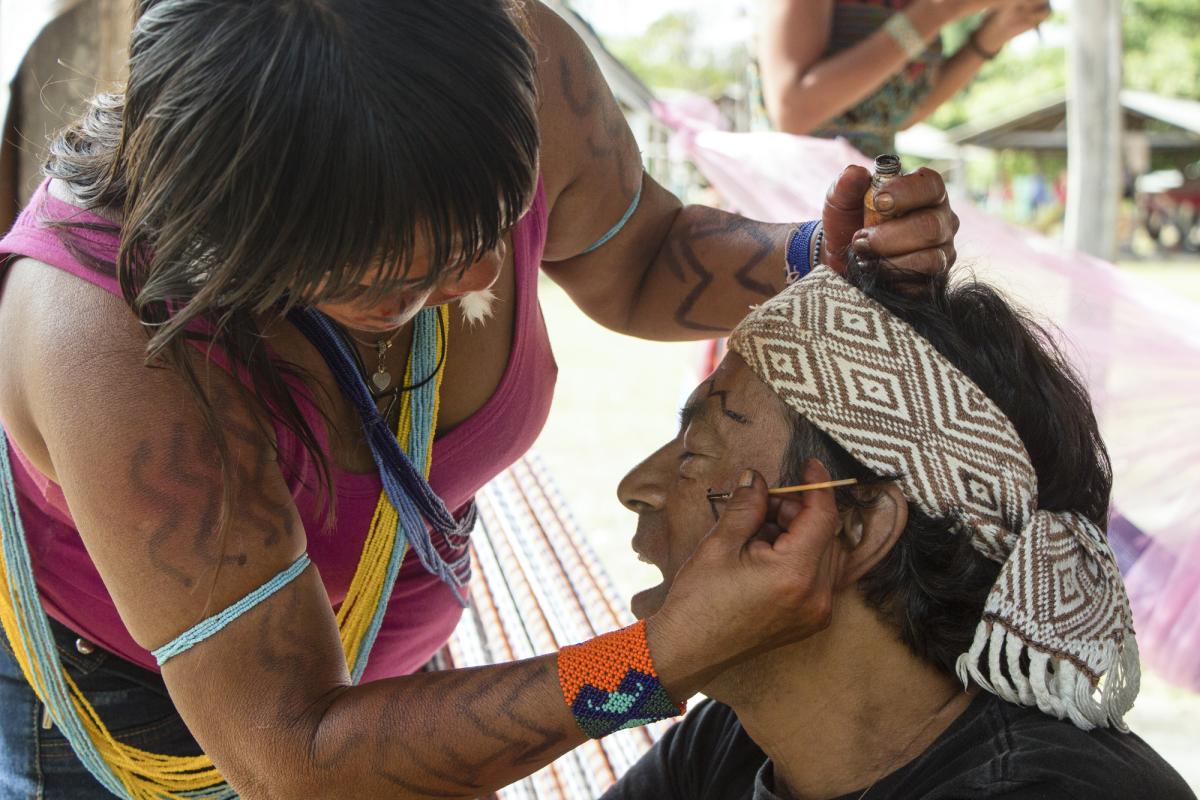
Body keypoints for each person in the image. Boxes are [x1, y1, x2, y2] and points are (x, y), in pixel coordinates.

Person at [0, 1, 965, 797]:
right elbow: (295, 758)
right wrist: (655, 659)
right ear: (249, 256)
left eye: (499, 220)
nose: (486, 277)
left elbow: (634, 258)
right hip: (132, 727)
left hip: (384, 682)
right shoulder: (111, 343)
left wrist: (814, 256)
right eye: (399, 282)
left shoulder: (510, 63)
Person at [605, 262, 1195, 799]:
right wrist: (639, 668)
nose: (636, 485)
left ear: (855, 526)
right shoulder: (731, 740)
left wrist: (639, 669)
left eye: (695, 452)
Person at [758, 0, 1053, 156]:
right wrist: (941, 10)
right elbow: (792, 110)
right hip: (795, 218)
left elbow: (895, 115)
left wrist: (994, 33)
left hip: (875, 209)